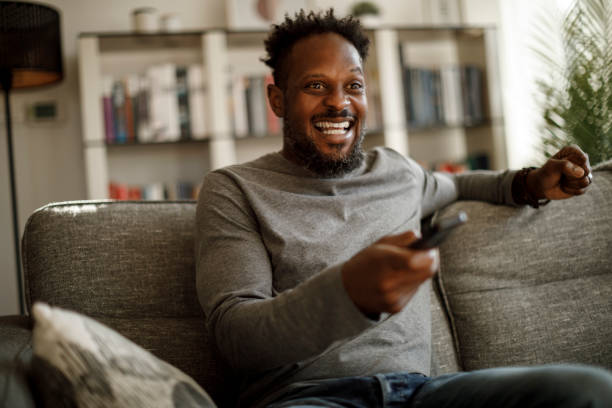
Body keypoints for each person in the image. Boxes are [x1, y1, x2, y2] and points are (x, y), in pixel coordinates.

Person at [195, 9, 611, 408]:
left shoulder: (397, 172)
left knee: (587, 389)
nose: (339, 104)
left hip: (422, 394)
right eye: (316, 86)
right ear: (277, 99)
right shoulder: (234, 189)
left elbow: (460, 184)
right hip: (308, 398)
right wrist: (347, 294)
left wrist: (530, 183)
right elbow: (236, 335)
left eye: (353, 86)